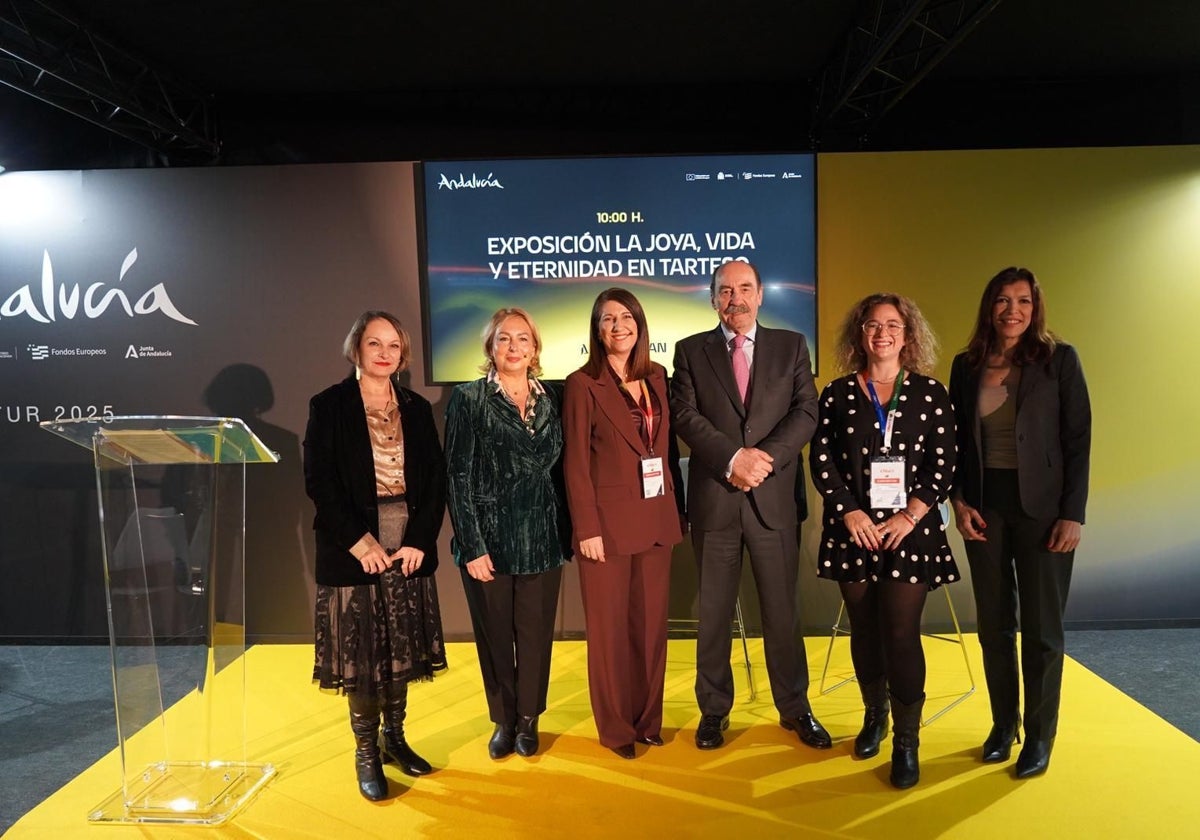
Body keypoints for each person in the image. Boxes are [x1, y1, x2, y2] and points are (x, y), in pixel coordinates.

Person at [670, 259, 830, 752]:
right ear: (712, 298)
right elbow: (684, 414)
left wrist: (764, 460)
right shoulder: (690, 350)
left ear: (761, 294)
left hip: (773, 501)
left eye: (744, 288)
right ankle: (714, 711)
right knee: (714, 615)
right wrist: (732, 458)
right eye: (724, 290)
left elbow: (807, 411)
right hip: (716, 501)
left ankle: (795, 707)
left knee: (782, 613)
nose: (735, 298)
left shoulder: (791, 346)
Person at [810, 293, 959, 789]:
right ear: (860, 335)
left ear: (908, 334)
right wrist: (849, 511)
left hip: (909, 532)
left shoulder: (930, 393)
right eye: (872, 325)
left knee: (900, 632)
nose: (882, 333)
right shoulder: (834, 394)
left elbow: (944, 462)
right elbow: (823, 461)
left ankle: (907, 741)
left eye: (892, 325)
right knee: (865, 629)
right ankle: (875, 716)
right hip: (853, 530)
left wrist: (911, 514)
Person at [949, 267, 1091, 780]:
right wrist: (957, 501)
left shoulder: (1060, 360)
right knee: (993, 625)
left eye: (1023, 301)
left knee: (1042, 629)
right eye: (1004, 300)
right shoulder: (965, 366)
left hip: (1046, 511)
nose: (1013, 310)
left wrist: (1073, 513)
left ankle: (1039, 736)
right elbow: (957, 446)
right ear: (990, 307)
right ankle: (1002, 724)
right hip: (985, 508)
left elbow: (1079, 440)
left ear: (1036, 308)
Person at [303, 310, 447, 802]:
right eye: (374, 344)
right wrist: (360, 542)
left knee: (400, 649)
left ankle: (396, 740)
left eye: (393, 345)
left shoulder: (416, 406)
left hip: (406, 546)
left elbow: (434, 482)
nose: (384, 353)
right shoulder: (329, 406)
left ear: (402, 354)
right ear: (356, 349)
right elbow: (319, 482)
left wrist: (420, 540)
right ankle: (367, 752)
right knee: (364, 657)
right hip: (353, 551)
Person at [445, 307, 573, 760]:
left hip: (543, 536)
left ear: (535, 348)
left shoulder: (555, 398)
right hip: (489, 542)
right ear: (490, 348)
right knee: (496, 636)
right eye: (504, 339)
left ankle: (529, 720)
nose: (514, 347)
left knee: (535, 636)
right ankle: (503, 719)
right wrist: (472, 545)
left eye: (523, 339)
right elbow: (457, 476)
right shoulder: (469, 399)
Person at [563, 288, 685, 759]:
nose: (619, 326)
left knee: (651, 629)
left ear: (640, 323)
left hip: (657, 520)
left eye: (627, 316)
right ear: (597, 329)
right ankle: (616, 729)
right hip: (606, 530)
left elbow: (664, 451)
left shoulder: (657, 375)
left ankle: (648, 721)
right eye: (608, 318)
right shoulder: (582, 383)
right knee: (610, 633)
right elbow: (575, 462)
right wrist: (586, 528)